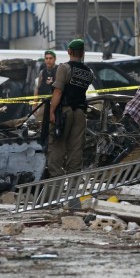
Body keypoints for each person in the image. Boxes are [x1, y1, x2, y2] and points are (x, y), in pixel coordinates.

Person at [46, 39, 95, 177]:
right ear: (83, 53)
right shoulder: (89, 72)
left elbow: (58, 91)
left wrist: (51, 111)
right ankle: (73, 181)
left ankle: (56, 179)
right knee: (76, 147)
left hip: (64, 112)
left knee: (57, 143)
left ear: (69, 51)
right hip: (80, 113)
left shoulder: (64, 68)